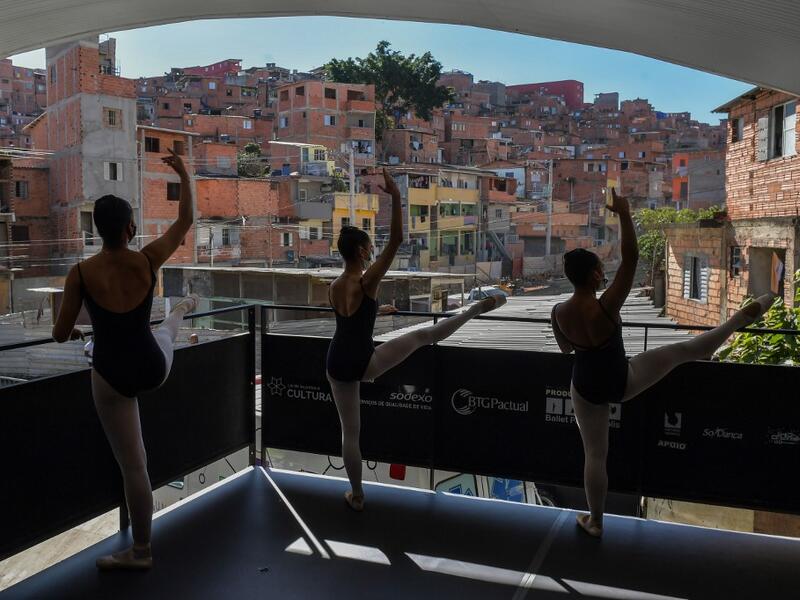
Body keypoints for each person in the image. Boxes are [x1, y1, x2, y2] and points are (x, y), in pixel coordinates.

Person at [551, 188, 773, 538]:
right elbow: (631, 258)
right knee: (686, 350)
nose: (603, 274)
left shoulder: (558, 312)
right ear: (594, 275)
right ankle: (739, 320)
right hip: (619, 380)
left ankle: (595, 520)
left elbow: (565, 350)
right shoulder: (605, 306)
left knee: (594, 455)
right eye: (599, 270)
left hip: (584, 384)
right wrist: (623, 212)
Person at [326, 168, 506, 511]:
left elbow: (349, 322)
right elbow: (396, 241)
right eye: (369, 247)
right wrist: (395, 197)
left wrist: (378, 313)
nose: (372, 250)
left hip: (336, 362)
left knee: (350, 433)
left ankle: (357, 495)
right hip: (365, 360)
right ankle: (475, 309)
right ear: (363, 252)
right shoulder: (367, 281)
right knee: (425, 335)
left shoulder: (334, 287)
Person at [53, 148, 198, 569]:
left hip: (112, 377)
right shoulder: (148, 259)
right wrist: (183, 171)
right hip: (152, 367)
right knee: (165, 335)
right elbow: (186, 221)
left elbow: (61, 332)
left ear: (97, 229)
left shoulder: (80, 273)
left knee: (135, 467)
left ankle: (140, 553)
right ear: (130, 228)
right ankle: (178, 313)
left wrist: (82, 329)